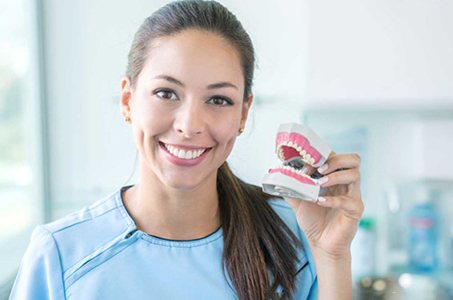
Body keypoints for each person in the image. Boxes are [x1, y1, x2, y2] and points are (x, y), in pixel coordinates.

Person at [9, 1, 363, 299]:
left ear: (243, 112)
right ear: (128, 100)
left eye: (219, 99)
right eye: (166, 93)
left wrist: (333, 256)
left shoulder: (295, 236)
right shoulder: (60, 256)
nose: (189, 125)